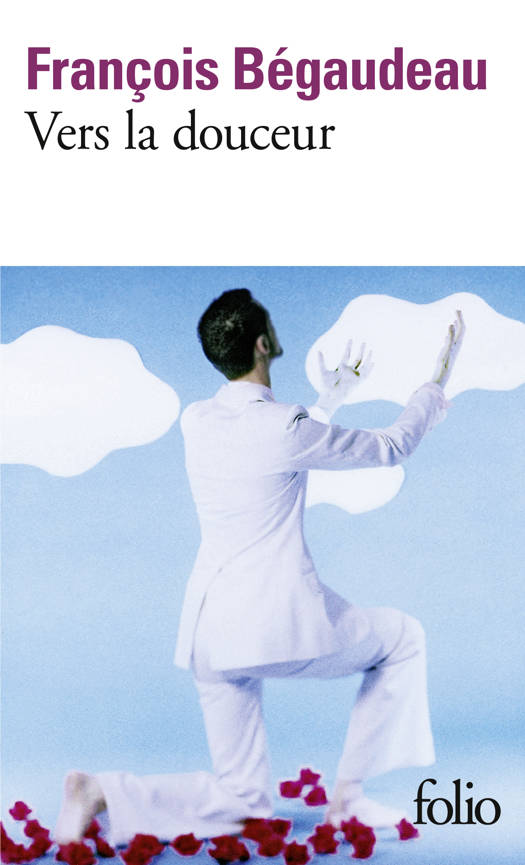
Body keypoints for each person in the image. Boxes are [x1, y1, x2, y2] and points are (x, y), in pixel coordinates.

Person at [55, 290, 465, 846]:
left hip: (208, 630)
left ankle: (100, 790)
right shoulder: (285, 426)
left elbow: (273, 456)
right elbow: (390, 446)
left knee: (244, 799)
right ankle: (348, 798)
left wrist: (329, 400)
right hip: (273, 626)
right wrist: (435, 385)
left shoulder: (197, 420)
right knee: (402, 638)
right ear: (263, 343)